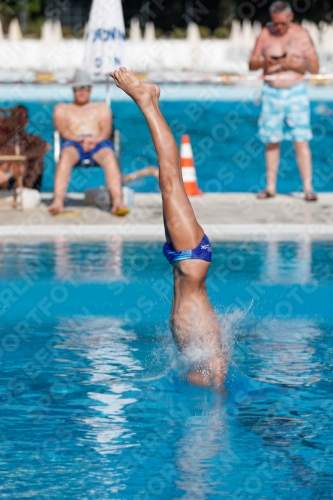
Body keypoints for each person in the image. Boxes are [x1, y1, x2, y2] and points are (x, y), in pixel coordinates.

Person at [110, 67, 227, 387]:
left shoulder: (202, 370)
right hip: (191, 262)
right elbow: (217, 361)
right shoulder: (214, 371)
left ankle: (152, 101)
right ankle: (145, 101)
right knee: (169, 179)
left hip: (184, 263)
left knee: (169, 181)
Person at [249, 1, 319, 201]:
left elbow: (315, 67)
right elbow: (252, 64)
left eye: (281, 23)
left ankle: (308, 187)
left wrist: (295, 64)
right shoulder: (265, 34)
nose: (277, 27)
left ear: (290, 18)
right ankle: (270, 187)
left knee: (301, 139)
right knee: (271, 140)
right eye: (275, 23)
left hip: (296, 91)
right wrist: (266, 62)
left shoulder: (301, 35)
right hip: (271, 93)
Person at [49, 69, 129, 216]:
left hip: (98, 142)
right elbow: (62, 129)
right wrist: (80, 139)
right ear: (73, 89)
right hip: (73, 142)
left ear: (91, 89)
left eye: (85, 88)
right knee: (65, 157)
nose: (82, 91)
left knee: (110, 158)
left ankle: (117, 201)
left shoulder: (101, 107)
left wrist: (94, 140)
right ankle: (58, 201)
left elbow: (106, 129)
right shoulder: (63, 108)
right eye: (78, 88)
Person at [0, 105, 49, 190]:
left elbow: (46, 146)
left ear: (27, 120)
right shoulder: (4, 136)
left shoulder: (29, 138)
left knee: (38, 160)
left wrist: (24, 155)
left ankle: (25, 189)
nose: (20, 118)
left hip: (16, 172)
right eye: (18, 115)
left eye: (24, 116)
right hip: (5, 170)